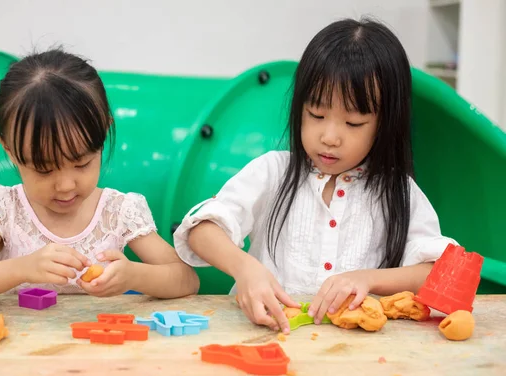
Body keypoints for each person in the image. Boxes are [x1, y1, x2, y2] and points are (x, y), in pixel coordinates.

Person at [173, 18, 456, 334]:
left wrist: (368, 278)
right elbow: (201, 231)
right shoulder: (273, 172)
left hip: (359, 356)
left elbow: (442, 272)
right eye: (317, 115)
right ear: (299, 108)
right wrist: (245, 269)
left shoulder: (397, 191)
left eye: (353, 123)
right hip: (266, 340)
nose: (330, 136)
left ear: (385, 124)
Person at [0, 48, 199, 309]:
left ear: (103, 135)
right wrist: (22, 268)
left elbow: (187, 280)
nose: (66, 185)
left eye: (81, 164)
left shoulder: (118, 212)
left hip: (100, 347)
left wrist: (135, 276)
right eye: (44, 170)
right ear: (9, 151)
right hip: (20, 350)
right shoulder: (4, 209)